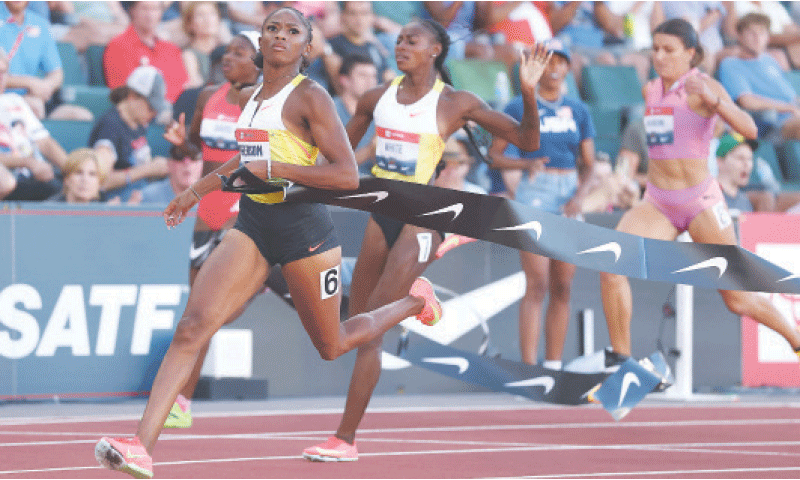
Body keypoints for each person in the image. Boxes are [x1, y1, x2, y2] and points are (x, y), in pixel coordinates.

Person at [94, 8, 445, 478]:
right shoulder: (254, 94)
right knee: (193, 326)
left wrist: (278, 170)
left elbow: (343, 174)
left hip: (305, 233)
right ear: (261, 41)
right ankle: (141, 446)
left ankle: (412, 303)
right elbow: (248, 161)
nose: (280, 36)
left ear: (307, 47)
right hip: (254, 225)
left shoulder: (313, 97)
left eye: (292, 31)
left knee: (333, 343)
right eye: (272, 29)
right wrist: (194, 191)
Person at [302, 19, 551, 462]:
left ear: (435, 49)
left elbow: (527, 140)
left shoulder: (455, 103)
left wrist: (528, 91)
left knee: (374, 327)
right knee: (358, 327)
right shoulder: (375, 98)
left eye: (411, 41)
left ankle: (344, 438)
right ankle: (418, 299)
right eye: (398, 39)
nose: (401, 46)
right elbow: (335, 157)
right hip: (383, 213)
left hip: (424, 216)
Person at [598, 18, 800, 372]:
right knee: (612, 265)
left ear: (690, 53)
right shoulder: (651, 90)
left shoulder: (703, 86)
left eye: (669, 50)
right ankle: (621, 360)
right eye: (655, 48)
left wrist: (717, 104)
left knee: (737, 300)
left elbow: (750, 128)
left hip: (700, 202)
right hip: (658, 202)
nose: (659, 56)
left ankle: (796, 339)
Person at [157, 30, 262, 428]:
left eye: (240, 52)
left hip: (244, 207)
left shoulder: (262, 103)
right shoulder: (208, 95)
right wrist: (182, 144)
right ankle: (182, 401)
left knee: (215, 310)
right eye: (227, 50)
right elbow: (197, 153)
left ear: (260, 62)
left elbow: (253, 160)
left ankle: (262, 276)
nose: (227, 56)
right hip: (208, 209)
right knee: (197, 311)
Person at [487, 40, 596, 368]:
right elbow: (495, 155)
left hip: (568, 191)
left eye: (560, 61)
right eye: (547, 61)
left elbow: (589, 163)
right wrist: (525, 165)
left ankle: (553, 365)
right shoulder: (517, 106)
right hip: (535, 191)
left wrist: (580, 195)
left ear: (567, 67)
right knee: (537, 282)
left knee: (563, 285)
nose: (554, 68)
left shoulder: (578, 110)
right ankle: (529, 366)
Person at [89, 65, 170, 203]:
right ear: (132, 96)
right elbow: (100, 181)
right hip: (116, 201)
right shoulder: (110, 126)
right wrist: (149, 169)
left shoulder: (138, 122)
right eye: (151, 107)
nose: (154, 114)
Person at [717, 12, 800, 140]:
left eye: (762, 33)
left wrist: (794, 106)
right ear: (739, 36)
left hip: (794, 111)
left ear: (767, 37)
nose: (757, 38)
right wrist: (788, 108)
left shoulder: (769, 60)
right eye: (751, 33)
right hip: (771, 122)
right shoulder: (731, 64)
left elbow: (790, 94)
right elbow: (746, 101)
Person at [0, 47, 66, 201]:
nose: (0, 78)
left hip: (38, 177)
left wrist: (73, 168)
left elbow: (45, 143)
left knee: (85, 187)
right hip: (11, 182)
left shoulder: (14, 100)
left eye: (3, 72)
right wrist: (28, 163)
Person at [103, 1, 188, 106]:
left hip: (177, 110)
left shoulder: (171, 49)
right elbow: (122, 91)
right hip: (143, 111)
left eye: (155, 9)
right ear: (132, 10)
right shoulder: (118, 45)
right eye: (144, 8)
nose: (150, 15)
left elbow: (183, 86)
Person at [0, 0, 63, 119]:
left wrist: (45, 87)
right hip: (4, 97)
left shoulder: (40, 23)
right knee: (34, 107)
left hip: (33, 97)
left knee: (79, 115)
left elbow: (56, 72)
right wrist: (29, 82)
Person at [332, 54, 378, 175]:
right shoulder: (328, 111)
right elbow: (327, 167)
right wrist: (369, 151)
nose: (370, 81)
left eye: (373, 76)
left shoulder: (381, 114)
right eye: (363, 76)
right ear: (344, 80)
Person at [138, 142, 203, 205]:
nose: (187, 162)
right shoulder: (148, 196)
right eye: (179, 156)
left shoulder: (211, 198)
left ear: (202, 164)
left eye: (194, 156)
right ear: (169, 164)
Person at [180, 2, 225, 89]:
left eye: (212, 14)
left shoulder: (227, 48)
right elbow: (196, 85)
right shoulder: (188, 55)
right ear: (189, 24)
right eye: (200, 15)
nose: (208, 19)